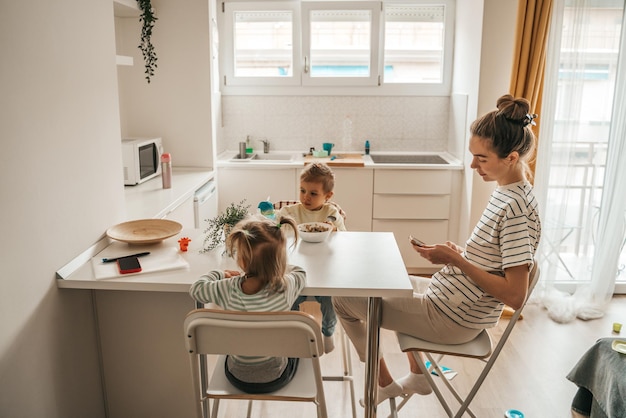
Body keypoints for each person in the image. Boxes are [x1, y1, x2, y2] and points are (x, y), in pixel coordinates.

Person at [332, 94, 542, 405]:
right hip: (448, 301)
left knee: (342, 298)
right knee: (383, 280)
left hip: (453, 319)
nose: (472, 165)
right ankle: (418, 376)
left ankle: (384, 383)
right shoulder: (507, 192)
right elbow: (495, 259)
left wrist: (457, 259)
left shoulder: (516, 209)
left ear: (511, 157)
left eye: (481, 159)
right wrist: (461, 255)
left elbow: (514, 295)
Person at [189, 214, 306, 394]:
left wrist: (219, 274)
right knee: (297, 320)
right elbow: (300, 273)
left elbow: (196, 289)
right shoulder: (285, 288)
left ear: (242, 262)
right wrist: (279, 266)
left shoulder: (226, 289)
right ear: (279, 261)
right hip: (277, 377)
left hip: (236, 376)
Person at [277, 162, 346, 353]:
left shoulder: (331, 213)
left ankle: (328, 332)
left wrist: (331, 225)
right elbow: (277, 222)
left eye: (313, 193)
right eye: (302, 190)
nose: (306, 197)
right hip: (295, 269)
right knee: (289, 298)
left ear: (328, 196)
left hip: (324, 271)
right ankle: (294, 334)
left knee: (330, 301)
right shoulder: (290, 212)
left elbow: (336, 225)